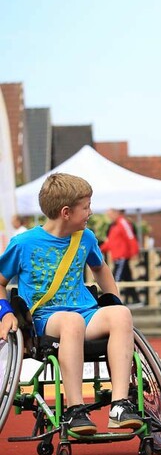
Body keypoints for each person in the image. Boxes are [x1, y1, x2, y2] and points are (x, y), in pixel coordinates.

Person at [0, 173, 141, 435]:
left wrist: (112, 300)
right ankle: (75, 408)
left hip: (85, 314)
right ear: (66, 212)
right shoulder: (23, 243)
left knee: (121, 314)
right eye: (85, 207)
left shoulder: (85, 238)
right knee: (71, 321)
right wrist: (5, 311)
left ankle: (120, 405)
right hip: (45, 318)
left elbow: (101, 269)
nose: (90, 212)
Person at [100, 208, 140, 305]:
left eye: (110, 215)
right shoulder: (114, 226)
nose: (109, 217)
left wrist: (134, 252)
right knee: (127, 278)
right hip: (118, 257)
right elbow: (110, 243)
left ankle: (112, 301)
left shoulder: (122, 223)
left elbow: (130, 237)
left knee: (115, 279)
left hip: (121, 257)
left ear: (115, 213)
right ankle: (136, 300)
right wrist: (98, 249)